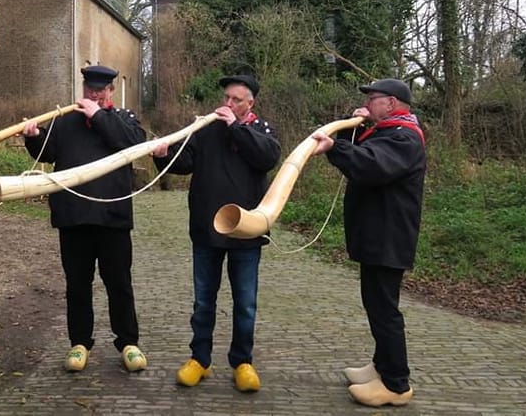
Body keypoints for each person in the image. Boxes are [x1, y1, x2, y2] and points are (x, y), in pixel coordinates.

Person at [151, 74, 281, 392]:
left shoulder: (260, 130)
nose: (228, 104)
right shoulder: (207, 129)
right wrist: (163, 155)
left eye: (236, 100)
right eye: (226, 98)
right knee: (203, 301)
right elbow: (185, 163)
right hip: (207, 231)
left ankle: (242, 363)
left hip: (246, 232)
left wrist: (235, 127)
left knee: (245, 303)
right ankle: (200, 360)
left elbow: (267, 158)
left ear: (250, 103)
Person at [22, 64, 148, 374]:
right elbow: (47, 153)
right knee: (77, 285)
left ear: (110, 92)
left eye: (100, 90)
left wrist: (98, 115)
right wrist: (34, 138)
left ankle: (128, 342)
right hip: (73, 218)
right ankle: (79, 343)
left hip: (113, 218)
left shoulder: (125, 120)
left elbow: (133, 144)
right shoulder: (65, 122)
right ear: (83, 89)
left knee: (118, 283)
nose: (93, 94)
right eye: (89, 89)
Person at [309, 78, 426, 408]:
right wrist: (347, 134)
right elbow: (363, 150)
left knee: (384, 311)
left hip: (389, 240)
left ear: (391, 104)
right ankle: (381, 366)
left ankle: (396, 384)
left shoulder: (404, 138)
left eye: (373, 99)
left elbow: (371, 164)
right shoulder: (388, 131)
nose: (367, 103)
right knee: (375, 305)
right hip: (377, 238)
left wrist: (335, 147)